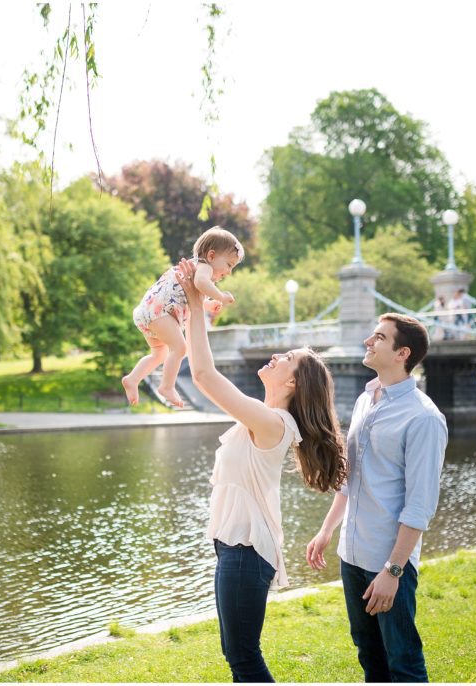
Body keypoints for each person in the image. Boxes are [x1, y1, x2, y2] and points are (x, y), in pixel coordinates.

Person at [175, 258, 347, 683]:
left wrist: (197, 304)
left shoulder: (273, 424)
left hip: (246, 552)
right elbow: (203, 371)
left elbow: (202, 374)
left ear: (293, 383)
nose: (276, 355)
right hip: (234, 549)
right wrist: (194, 307)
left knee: (243, 658)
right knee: (238, 655)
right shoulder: (264, 417)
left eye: (286, 357)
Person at [305, 313, 448, 683]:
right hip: (351, 556)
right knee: (369, 655)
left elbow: (419, 506)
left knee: (403, 661)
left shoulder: (423, 418)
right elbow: (351, 479)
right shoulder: (365, 400)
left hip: (388, 562)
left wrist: (393, 571)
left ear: (403, 352)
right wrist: (326, 531)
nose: (369, 341)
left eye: (379, 337)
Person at [122, 227, 242, 408]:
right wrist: (221, 296)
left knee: (159, 354)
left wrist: (207, 304)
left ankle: (132, 379)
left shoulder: (194, 270)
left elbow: (189, 296)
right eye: (229, 265)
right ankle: (166, 386)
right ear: (211, 256)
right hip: (159, 313)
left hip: (150, 312)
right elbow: (201, 283)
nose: (229, 272)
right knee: (179, 348)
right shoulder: (203, 268)